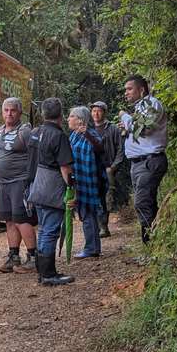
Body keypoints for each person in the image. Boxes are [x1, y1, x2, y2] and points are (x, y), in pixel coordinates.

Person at [0, 97, 38, 273]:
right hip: (4, 182)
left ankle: (34, 258)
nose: (9, 114)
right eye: (6, 110)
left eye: (13, 110)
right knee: (9, 220)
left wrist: (34, 179)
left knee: (22, 220)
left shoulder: (25, 131)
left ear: (20, 113)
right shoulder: (1, 130)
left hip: (20, 182)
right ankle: (13, 257)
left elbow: (36, 154)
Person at [26, 97, 75, 286]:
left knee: (44, 229)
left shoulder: (36, 132)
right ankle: (48, 274)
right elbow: (65, 167)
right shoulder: (59, 136)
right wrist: (71, 188)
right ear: (61, 115)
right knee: (50, 230)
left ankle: (42, 272)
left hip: (36, 184)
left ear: (43, 113)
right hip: (52, 186)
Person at [119, 75, 168, 244]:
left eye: (129, 89)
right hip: (139, 163)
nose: (126, 93)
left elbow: (144, 128)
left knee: (142, 203)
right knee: (147, 202)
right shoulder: (140, 107)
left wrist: (125, 117)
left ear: (141, 90)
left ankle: (150, 244)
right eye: (125, 89)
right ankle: (153, 243)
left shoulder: (152, 103)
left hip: (149, 161)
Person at [67, 106, 106, 259]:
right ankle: (93, 247)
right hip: (80, 180)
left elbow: (99, 147)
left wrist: (87, 134)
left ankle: (91, 248)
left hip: (89, 181)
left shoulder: (90, 133)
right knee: (86, 214)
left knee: (88, 213)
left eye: (71, 116)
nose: (68, 119)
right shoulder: (74, 135)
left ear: (80, 120)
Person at [91, 101, 124, 237]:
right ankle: (96, 227)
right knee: (94, 198)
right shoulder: (89, 128)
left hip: (107, 168)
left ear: (104, 112)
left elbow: (121, 149)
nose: (96, 113)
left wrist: (114, 166)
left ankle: (104, 227)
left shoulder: (113, 129)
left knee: (106, 198)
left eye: (99, 111)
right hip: (92, 169)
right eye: (93, 111)